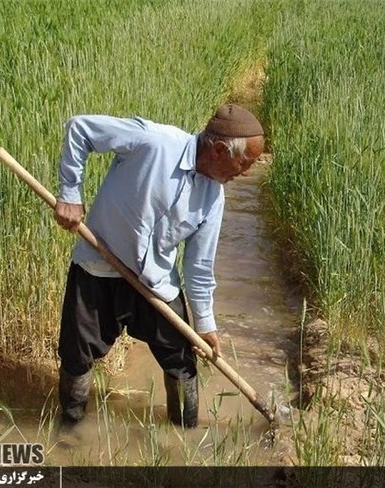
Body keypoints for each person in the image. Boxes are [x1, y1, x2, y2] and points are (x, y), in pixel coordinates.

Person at [53, 104, 264, 428]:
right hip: (98, 267)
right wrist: (70, 192)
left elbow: (199, 266)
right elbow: (80, 129)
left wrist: (205, 325)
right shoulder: (153, 141)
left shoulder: (213, 198)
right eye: (245, 162)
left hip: (155, 283)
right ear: (221, 150)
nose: (245, 172)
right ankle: (69, 433)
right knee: (76, 356)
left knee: (182, 360)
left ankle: (184, 436)